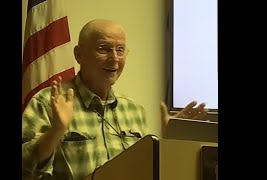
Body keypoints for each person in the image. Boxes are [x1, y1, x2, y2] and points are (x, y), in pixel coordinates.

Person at [22, 19, 207, 180]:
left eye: (120, 50)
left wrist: (169, 140)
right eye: (104, 49)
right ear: (79, 54)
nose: (114, 59)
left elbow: (142, 169)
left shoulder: (134, 110)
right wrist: (55, 132)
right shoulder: (48, 102)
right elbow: (24, 168)